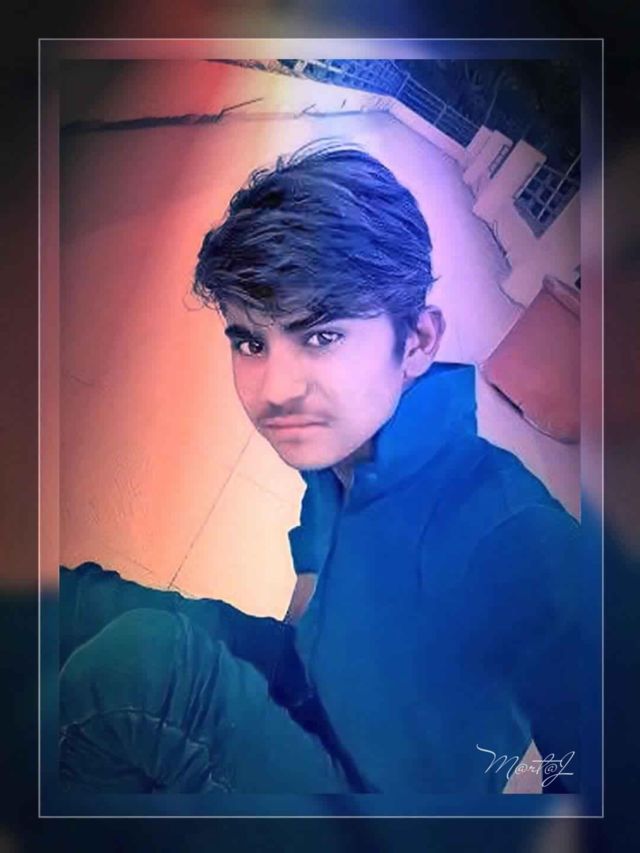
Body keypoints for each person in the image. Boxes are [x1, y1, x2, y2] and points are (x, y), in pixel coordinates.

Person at [59, 142, 587, 797]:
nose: (275, 389)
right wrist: (306, 646)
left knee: (142, 670)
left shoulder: (512, 530)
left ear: (417, 341)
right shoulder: (342, 447)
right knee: (74, 604)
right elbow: (317, 558)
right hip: (311, 694)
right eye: (252, 341)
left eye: (321, 336)